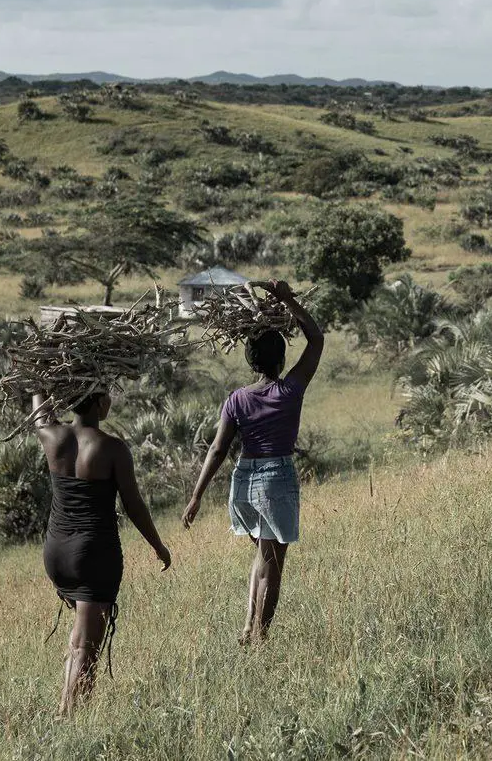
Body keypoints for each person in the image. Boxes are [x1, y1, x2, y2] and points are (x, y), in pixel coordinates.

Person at [182, 280, 324, 644]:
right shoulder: (289, 390)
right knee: (273, 567)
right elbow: (316, 339)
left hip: (243, 482)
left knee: (263, 558)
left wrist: (197, 496)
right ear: (280, 360)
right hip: (276, 480)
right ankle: (259, 635)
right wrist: (286, 298)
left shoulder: (237, 399)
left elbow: (217, 450)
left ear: (250, 361)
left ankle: (249, 626)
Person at [32, 389, 172, 715]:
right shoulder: (111, 448)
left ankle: (64, 711)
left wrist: (46, 378)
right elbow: (133, 505)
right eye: (106, 395)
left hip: (56, 552)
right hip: (93, 553)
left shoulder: (51, 434)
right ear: (97, 402)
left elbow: (39, 409)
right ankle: (70, 722)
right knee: (85, 647)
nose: (110, 401)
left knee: (79, 638)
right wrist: (158, 546)